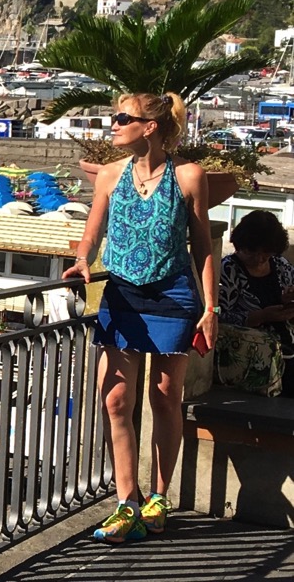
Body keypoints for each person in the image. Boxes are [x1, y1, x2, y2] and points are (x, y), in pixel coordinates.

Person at [64, 91, 215, 543]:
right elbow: (93, 230)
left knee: (165, 397)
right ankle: (126, 501)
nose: (112, 124)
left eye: (121, 118)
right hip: (123, 295)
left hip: (173, 295)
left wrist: (211, 307)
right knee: (114, 399)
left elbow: (203, 245)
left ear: (149, 126)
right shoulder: (110, 176)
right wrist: (83, 260)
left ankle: (159, 497)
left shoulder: (188, 176)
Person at [219, 210, 294, 395]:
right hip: (253, 361)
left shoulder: (281, 265)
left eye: (266, 254)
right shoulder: (228, 270)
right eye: (252, 252)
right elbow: (219, 315)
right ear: (240, 245)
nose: (259, 259)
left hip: (288, 351)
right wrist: (259, 316)